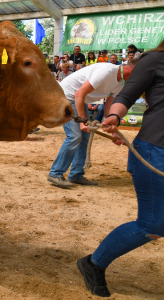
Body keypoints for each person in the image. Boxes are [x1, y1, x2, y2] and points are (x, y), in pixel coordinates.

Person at [77, 41, 163, 298]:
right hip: (156, 150)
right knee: (153, 224)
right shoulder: (154, 60)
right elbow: (126, 96)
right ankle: (93, 263)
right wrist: (114, 116)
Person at [47, 59, 139, 188]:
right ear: (134, 71)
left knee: (84, 137)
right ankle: (55, 173)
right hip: (66, 96)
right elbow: (79, 93)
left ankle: (76, 175)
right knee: (75, 136)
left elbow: (108, 107)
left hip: (79, 99)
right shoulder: (106, 71)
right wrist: (82, 121)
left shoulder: (122, 82)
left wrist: (114, 132)